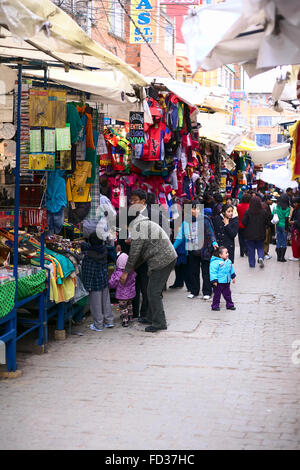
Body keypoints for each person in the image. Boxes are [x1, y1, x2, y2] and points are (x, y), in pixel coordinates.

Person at [120, 212, 177, 332]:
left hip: (163, 260)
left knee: (153, 293)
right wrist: (131, 268)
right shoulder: (142, 224)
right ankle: (151, 317)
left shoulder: (138, 228)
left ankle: (159, 323)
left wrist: (126, 272)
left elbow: (134, 254)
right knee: (151, 290)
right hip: (165, 258)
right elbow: (140, 254)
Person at [173, 200, 218, 300]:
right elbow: (180, 237)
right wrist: (172, 248)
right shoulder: (186, 221)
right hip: (192, 250)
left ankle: (207, 292)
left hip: (205, 250)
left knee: (206, 272)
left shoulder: (205, 219)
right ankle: (194, 291)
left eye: (197, 208)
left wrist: (214, 243)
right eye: (193, 208)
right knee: (193, 272)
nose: (195, 210)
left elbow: (211, 233)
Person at [81, 232, 114, 332]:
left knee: (96, 304)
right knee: (106, 302)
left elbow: (88, 272)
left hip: (94, 283)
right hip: (103, 280)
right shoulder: (104, 250)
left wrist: (87, 285)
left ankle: (98, 325)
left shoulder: (89, 255)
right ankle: (109, 321)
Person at [109, 253, 136, 327]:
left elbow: (112, 284)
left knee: (123, 308)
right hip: (131, 294)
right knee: (130, 305)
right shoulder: (132, 272)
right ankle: (130, 317)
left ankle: (125, 321)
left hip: (122, 295)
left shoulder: (118, 273)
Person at [242, 196, 269, 268]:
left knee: (251, 250)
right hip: (261, 233)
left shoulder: (248, 211)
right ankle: (260, 257)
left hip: (249, 234)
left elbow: (243, 222)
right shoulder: (263, 212)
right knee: (260, 247)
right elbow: (267, 222)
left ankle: (252, 264)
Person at [209, 246, 236, 311]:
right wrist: (214, 281)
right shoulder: (215, 262)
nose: (228, 254)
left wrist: (233, 277)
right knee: (217, 295)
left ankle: (230, 305)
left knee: (228, 294)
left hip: (226, 282)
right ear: (220, 255)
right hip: (218, 283)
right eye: (226, 253)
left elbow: (231, 269)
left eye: (227, 252)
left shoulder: (228, 261)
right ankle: (215, 306)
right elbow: (213, 272)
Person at [272, 192, 292, 262]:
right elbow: (287, 219)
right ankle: (282, 258)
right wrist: (286, 228)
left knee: (279, 240)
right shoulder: (287, 208)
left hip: (277, 225)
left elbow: (273, 214)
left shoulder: (277, 207)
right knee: (284, 241)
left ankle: (278, 257)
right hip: (284, 226)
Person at [237, 192, 251, 257]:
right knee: (247, 239)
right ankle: (247, 250)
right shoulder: (250, 206)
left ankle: (241, 252)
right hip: (248, 225)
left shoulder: (238, 206)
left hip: (240, 224)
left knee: (241, 239)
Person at [262, 193, 273, 260]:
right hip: (265, 226)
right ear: (267, 200)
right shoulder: (264, 206)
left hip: (267, 226)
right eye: (271, 200)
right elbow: (266, 217)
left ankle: (266, 252)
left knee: (267, 240)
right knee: (265, 240)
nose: (272, 201)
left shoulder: (267, 206)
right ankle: (264, 253)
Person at [288, 196, 300, 261]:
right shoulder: (296, 209)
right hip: (296, 228)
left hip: (297, 229)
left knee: (295, 243)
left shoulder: (298, 210)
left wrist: (293, 222)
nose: (294, 204)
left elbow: (298, 221)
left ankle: (296, 256)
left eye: (296, 203)